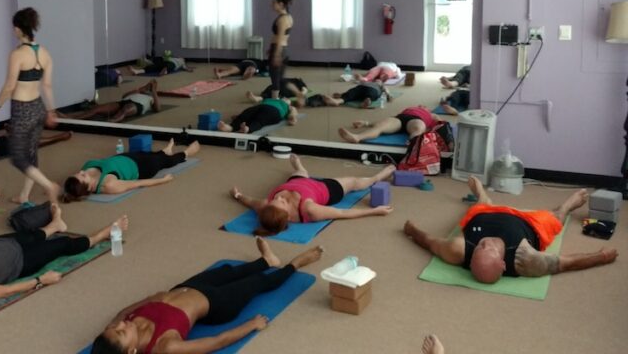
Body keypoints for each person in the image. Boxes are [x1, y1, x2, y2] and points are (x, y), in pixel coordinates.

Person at [90, 238, 323, 354]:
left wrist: (147, 300)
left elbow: (121, 312)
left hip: (187, 287)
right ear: (131, 352)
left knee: (229, 271)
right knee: (260, 283)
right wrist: (252, 325)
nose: (122, 323)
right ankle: (295, 264)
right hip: (217, 305)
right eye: (121, 331)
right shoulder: (165, 346)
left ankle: (267, 261)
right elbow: (215, 342)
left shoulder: (121, 324)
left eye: (115, 326)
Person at [403, 176, 617, 283]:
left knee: (478, 208)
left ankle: (481, 194)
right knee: (555, 218)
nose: (482, 244)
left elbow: (430, 242)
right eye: (486, 250)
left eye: (478, 249)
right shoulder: (525, 260)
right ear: (503, 263)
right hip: (529, 223)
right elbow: (565, 263)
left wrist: (412, 230)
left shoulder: (458, 249)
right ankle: (568, 205)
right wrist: (600, 257)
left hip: (484, 216)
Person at [0, 7, 62, 204]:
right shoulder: (45, 53)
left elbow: (10, 86)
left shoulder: (18, 54)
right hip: (38, 107)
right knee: (31, 152)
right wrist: (51, 111)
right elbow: (47, 85)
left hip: (22, 110)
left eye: (14, 28)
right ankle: (24, 196)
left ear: (19, 29)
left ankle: (49, 185)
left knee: (18, 157)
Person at [230, 153, 394, 235]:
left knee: (301, 172)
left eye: (276, 199)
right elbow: (343, 213)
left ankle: (299, 166)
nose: (278, 197)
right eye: (281, 201)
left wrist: (238, 195)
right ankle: (377, 176)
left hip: (296, 182)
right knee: (355, 182)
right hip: (324, 189)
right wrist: (374, 211)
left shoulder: (266, 205)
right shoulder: (310, 210)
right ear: (287, 216)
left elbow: (250, 201)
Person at [62, 139, 201, 201]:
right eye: (83, 176)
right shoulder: (109, 185)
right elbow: (138, 183)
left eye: (79, 174)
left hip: (125, 158)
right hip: (143, 168)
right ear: (90, 186)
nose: (81, 172)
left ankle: (165, 151)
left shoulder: (86, 172)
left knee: (149, 153)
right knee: (166, 162)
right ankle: (187, 152)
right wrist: (162, 180)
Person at [60, 80, 161, 123]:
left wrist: (153, 91)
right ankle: (70, 118)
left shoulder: (151, 98)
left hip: (137, 105)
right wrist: (139, 89)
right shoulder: (138, 92)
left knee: (126, 109)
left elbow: (158, 109)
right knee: (97, 109)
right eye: (148, 85)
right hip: (122, 102)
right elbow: (124, 96)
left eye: (150, 87)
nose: (148, 88)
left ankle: (112, 122)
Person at [337, 105, 441, 144]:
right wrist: (366, 123)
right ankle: (357, 137)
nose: (422, 106)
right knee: (380, 126)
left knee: (418, 128)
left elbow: (441, 124)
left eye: (424, 106)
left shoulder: (431, 114)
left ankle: (413, 144)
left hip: (416, 120)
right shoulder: (410, 108)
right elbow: (381, 122)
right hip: (400, 118)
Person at [217, 97, 297, 134]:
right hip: (260, 107)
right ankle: (230, 127)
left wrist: (292, 117)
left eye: (287, 99)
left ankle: (247, 129)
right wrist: (238, 116)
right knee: (247, 114)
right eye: (284, 98)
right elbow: (258, 103)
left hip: (275, 112)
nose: (285, 99)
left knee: (260, 120)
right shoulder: (270, 99)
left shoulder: (287, 106)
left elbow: (293, 112)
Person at [267, 0, 293, 99]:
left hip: (279, 50)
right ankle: (280, 97)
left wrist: (277, 54)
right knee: (279, 78)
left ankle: (275, 100)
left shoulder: (283, 19)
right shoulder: (288, 17)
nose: (272, 4)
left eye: (274, 2)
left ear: (281, 4)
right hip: (283, 49)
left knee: (275, 78)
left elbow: (281, 37)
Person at [128, 55, 194, 76]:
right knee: (152, 67)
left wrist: (189, 69)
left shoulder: (182, 62)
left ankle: (165, 71)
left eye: (182, 58)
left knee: (169, 66)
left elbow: (185, 67)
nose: (180, 57)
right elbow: (166, 58)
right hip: (166, 62)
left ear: (183, 59)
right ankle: (137, 71)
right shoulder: (174, 58)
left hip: (172, 64)